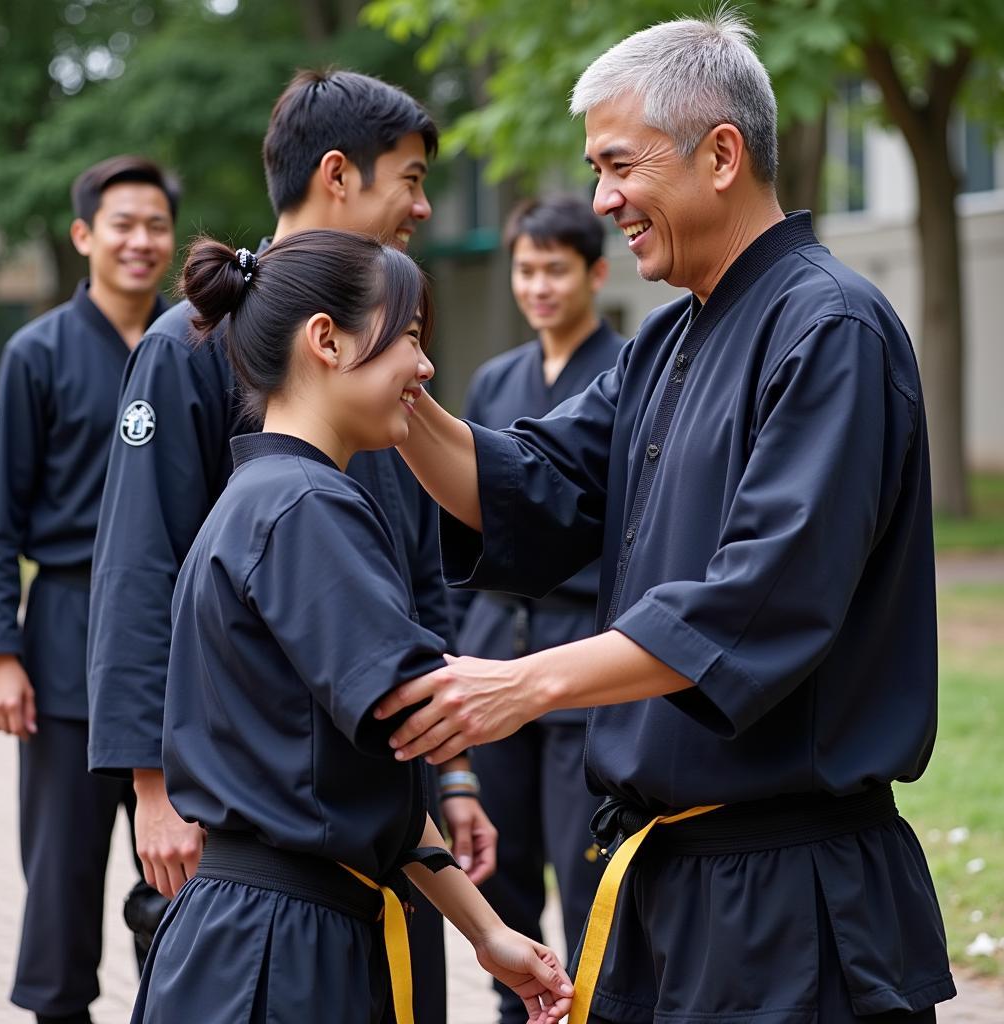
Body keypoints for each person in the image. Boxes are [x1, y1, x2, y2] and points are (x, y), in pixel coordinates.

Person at [373, 12, 955, 1024]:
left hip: (792, 902)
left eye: (616, 165)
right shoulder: (664, 347)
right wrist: (391, 390)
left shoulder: (831, 329)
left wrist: (525, 683)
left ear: (720, 153)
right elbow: (527, 484)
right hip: (664, 885)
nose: (602, 201)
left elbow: (763, 596)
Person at [86, 69, 494, 1023]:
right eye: (411, 177)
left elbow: (414, 591)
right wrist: (155, 787)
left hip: (380, 807)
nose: (422, 206)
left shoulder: (383, 366)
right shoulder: (195, 343)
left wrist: (451, 779)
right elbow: (144, 565)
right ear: (340, 175)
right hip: (260, 828)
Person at [130, 229, 572, 1024]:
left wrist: (488, 932)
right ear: (326, 340)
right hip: (282, 952)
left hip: (254, 936)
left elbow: (380, 783)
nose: (425, 367)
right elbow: (419, 710)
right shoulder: (307, 506)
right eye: (407, 336)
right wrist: (621, 671)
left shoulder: (261, 495)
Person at [0, 156, 177, 1024]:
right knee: (60, 872)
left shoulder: (199, 344)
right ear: (84, 235)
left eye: (156, 225)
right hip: (63, 629)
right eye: (123, 224)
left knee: (180, 872)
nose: (141, 242)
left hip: (176, 642)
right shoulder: (37, 354)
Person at [454, 196, 620, 1024]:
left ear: (595, 272)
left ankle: (591, 1005)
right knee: (500, 859)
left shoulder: (631, 369)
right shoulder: (494, 380)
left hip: (581, 659)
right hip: (492, 650)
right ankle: (512, 1005)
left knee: (585, 863)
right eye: (526, 269)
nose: (539, 286)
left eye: (556, 269)